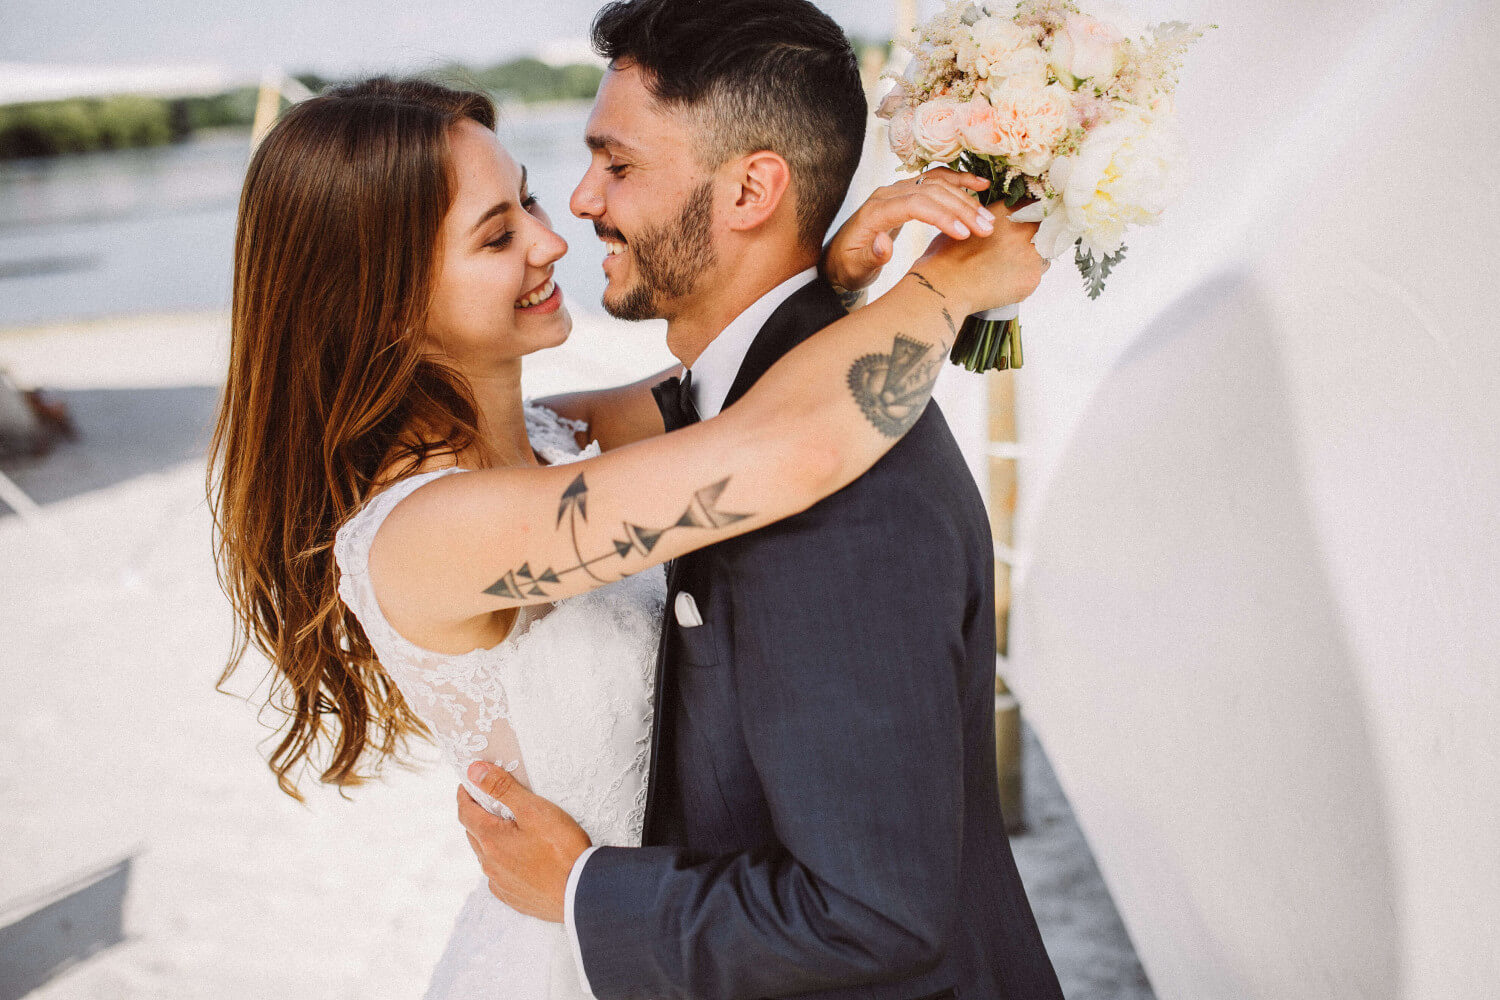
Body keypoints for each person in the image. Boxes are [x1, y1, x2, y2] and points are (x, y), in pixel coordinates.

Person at [208, 65, 1045, 1000]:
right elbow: (783, 447)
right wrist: (946, 285)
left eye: (524, 198)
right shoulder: (431, 530)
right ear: (384, 300)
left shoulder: (563, 437)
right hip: (576, 951)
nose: (552, 239)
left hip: (682, 928)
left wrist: (830, 278)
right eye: (498, 236)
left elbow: (742, 383)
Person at [455, 1, 1067, 999]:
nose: (578, 201)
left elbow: (872, 914)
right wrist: (840, 287)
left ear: (751, 188)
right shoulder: (753, 404)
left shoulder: (835, 505)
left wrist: (581, 890)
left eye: (617, 163)